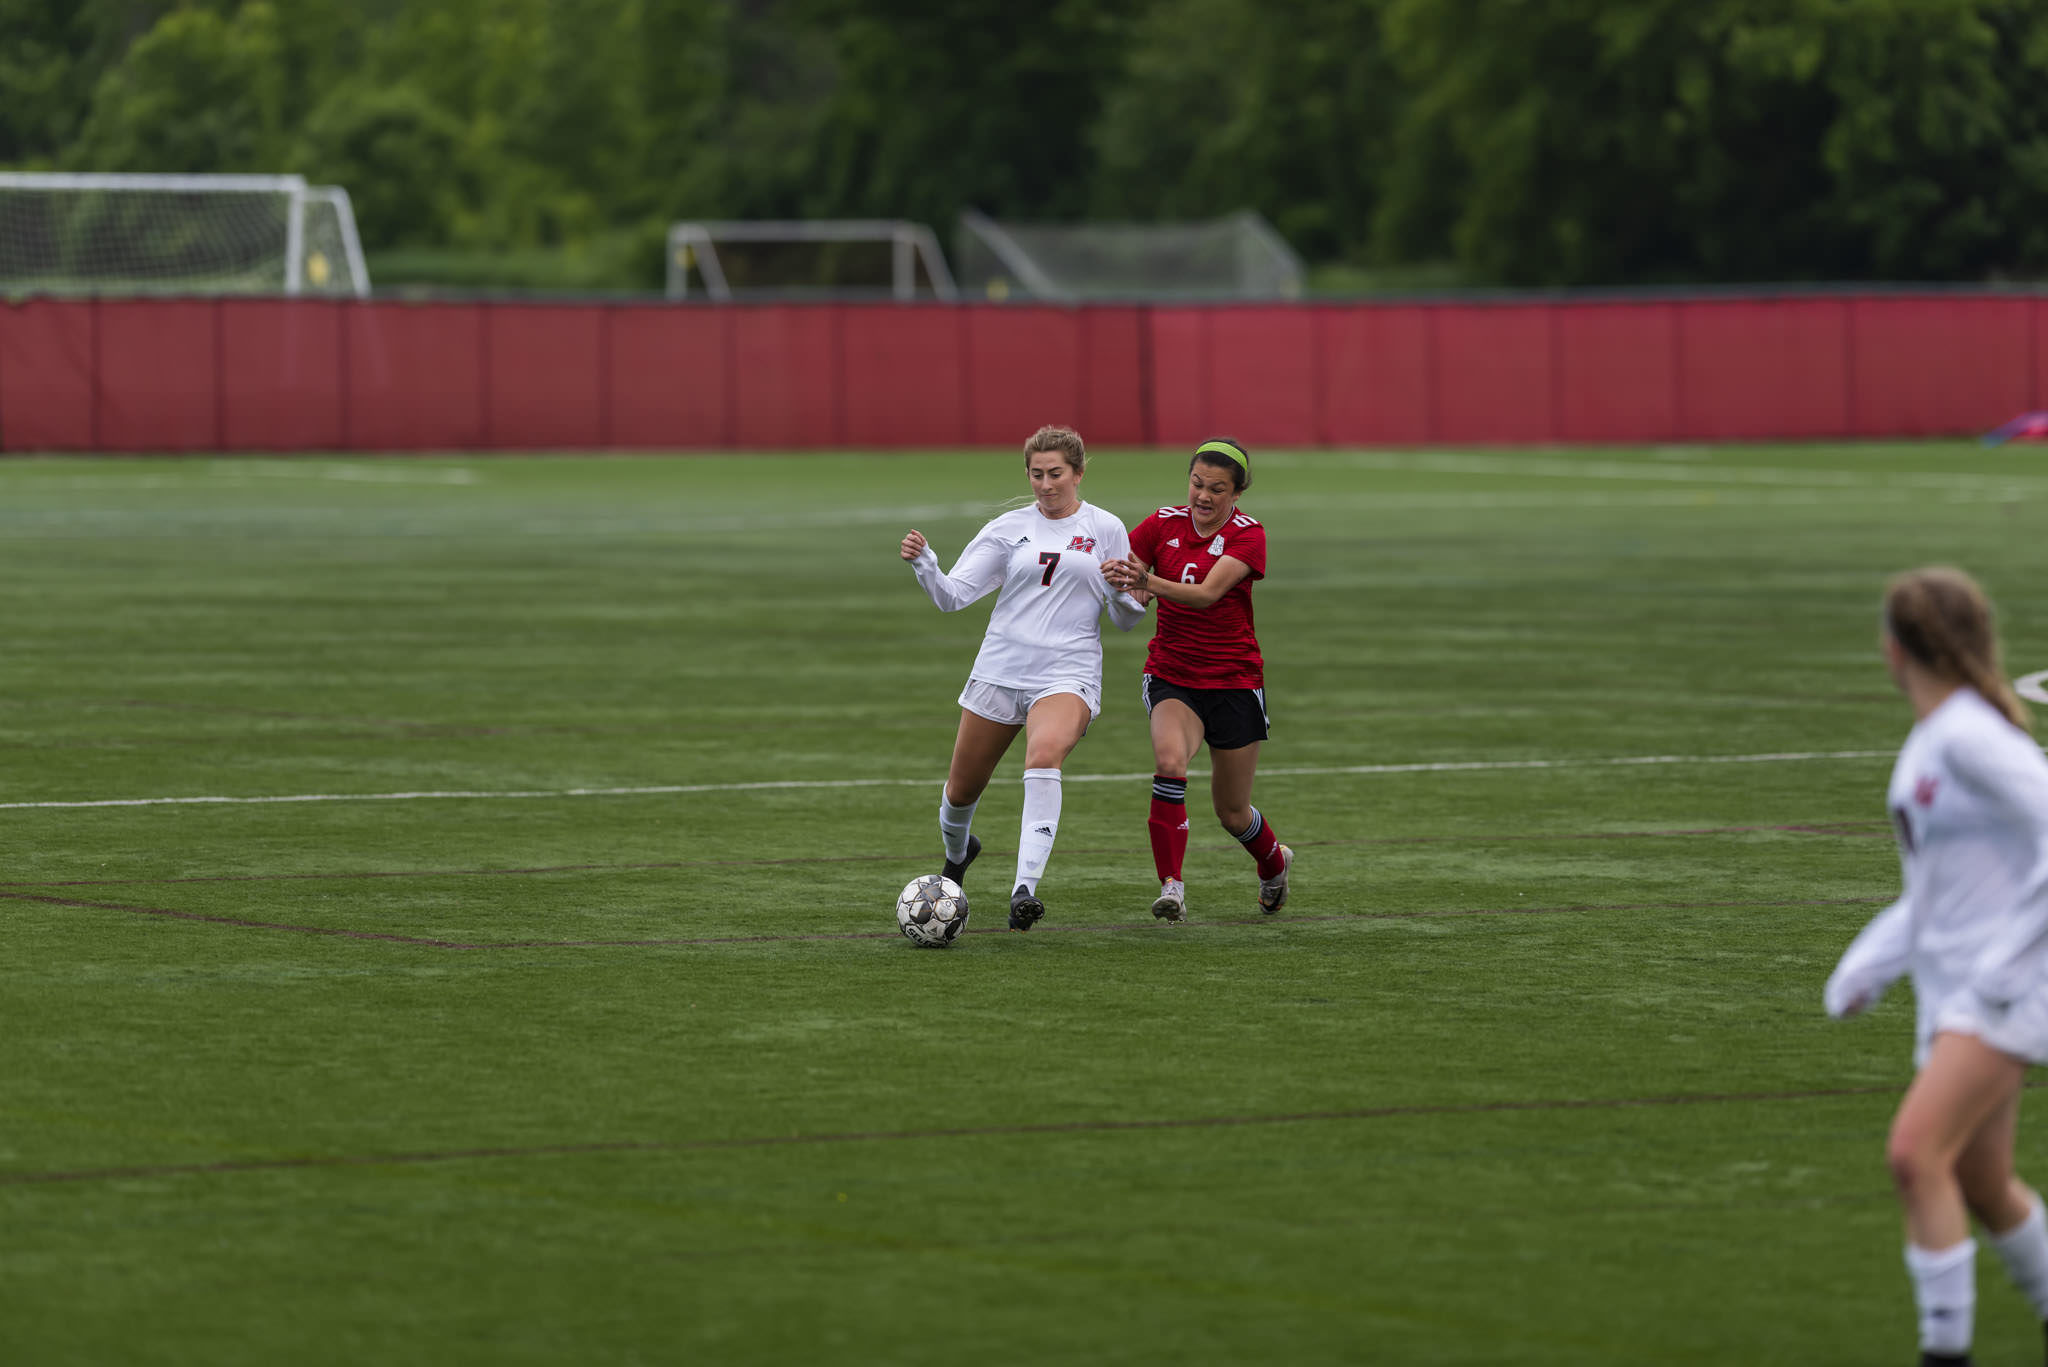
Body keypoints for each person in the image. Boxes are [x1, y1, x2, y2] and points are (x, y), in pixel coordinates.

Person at [1826, 566, 2048, 1367]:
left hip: (2002, 994)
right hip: (1956, 990)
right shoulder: (1936, 735)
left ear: (1894, 648)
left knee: (1915, 1155)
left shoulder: (1967, 736)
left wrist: (2007, 968)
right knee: (1984, 1185)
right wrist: (1870, 962)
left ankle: (1943, 1356)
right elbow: (1932, 890)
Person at [899, 425, 1149, 931]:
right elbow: (953, 597)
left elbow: (1125, 618)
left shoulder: (1107, 528)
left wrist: (1129, 592)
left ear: (1078, 473)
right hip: (1000, 670)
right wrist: (926, 564)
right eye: (1036, 474)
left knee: (1044, 756)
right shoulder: (1007, 528)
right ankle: (958, 855)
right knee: (959, 793)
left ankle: (1024, 890)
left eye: (1055, 473)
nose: (1044, 484)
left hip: (1067, 672)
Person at [1100, 437, 1290, 922]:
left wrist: (1144, 583)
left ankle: (1273, 865)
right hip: (1173, 675)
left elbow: (1205, 594)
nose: (1202, 496)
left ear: (1237, 494)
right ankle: (1172, 886)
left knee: (1232, 812)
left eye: (1217, 489)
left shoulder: (1250, 535)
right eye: (1197, 483)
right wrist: (1123, 591)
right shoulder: (1162, 523)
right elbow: (1131, 584)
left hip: (1234, 680)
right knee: (1169, 763)